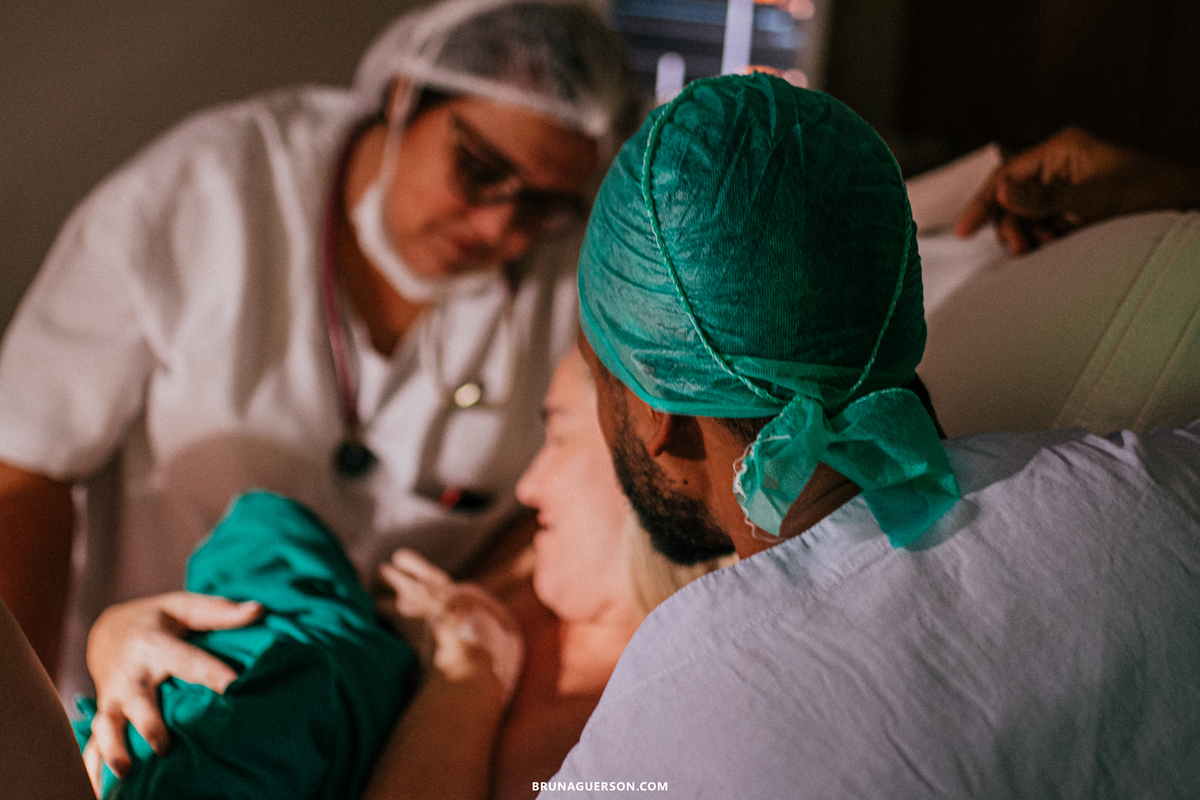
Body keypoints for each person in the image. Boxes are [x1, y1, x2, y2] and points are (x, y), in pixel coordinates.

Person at [546, 73, 1200, 796]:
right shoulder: (1145, 496)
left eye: (597, 374)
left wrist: (463, 691)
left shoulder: (659, 730)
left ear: (653, 413)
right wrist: (1174, 190)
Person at [0, 0, 642, 699]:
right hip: (136, 698)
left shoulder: (569, 278)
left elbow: (549, 509)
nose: (497, 226)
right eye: (480, 169)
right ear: (403, 98)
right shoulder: (207, 194)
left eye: (545, 206)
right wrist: (25, 742)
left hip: (361, 715)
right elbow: (23, 469)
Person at [75, 346, 729, 798]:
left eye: (556, 436)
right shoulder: (528, 566)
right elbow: (330, 647)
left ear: (654, 444)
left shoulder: (659, 736)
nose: (527, 487)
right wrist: (119, 638)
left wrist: (466, 681)